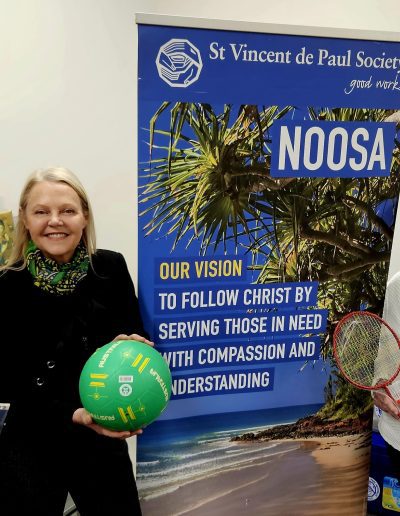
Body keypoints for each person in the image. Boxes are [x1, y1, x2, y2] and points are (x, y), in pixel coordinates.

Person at [0, 167, 152, 515]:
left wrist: (133, 347)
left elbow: (136, 335)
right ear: (25, 218)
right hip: (32, 442)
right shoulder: (7, 285)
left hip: (101, 438)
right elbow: (7, 379)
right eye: (41, 211)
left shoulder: (110, 268)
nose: (55, 221)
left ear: (84, 217)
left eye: (67, 210)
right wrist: (73, 414)